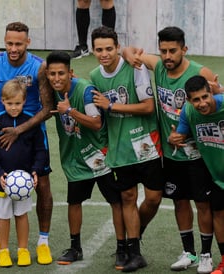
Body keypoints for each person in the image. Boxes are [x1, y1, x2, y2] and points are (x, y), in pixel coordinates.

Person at [122, 26, 221, 273]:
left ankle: (207, 254)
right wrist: (129, 54)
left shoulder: (201, 72)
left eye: (173, 51)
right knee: (179, 201)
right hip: (171, 153)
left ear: (184, 49)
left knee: (204, 205)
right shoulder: (157, 66)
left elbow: (215, 103)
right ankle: (189, 253)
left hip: (199, 154)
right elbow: (128, 49)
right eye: (163, 50)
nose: (167, 56)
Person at [0, 21, 54, 265]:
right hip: (0, 135)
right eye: (9, 43)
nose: (13, 48)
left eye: (18, 44)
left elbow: (48, 107)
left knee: (41, 185)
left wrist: (19, 130)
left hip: (30, 135)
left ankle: (42, 242)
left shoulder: (39, 67)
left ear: (28, 43)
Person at [90, 26, 164, 272]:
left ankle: (135, 234)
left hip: (146, 144)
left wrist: (111, 106)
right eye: (99, 49)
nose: (104, 54)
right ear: (92, 50)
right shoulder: (94, 76)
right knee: (128, 198)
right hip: (120, 149)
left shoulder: (135, 68)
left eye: (109, 48)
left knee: (153, 198)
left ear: (117, 47)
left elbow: (147, 107)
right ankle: (133, 251)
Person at [45, 51, 127, 269]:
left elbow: (96, 122)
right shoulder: (51, 91)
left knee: (115, 201)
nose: (56, 78)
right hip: (75, 159)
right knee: (74, 202)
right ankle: (75, 247)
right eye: (52, 74)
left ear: (70, 73)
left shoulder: (86, 91)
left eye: (61, 73)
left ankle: (121, 248)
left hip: (100, 156)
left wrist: (69, 110)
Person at [0, 79, 45, 267]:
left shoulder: (30, 122)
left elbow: (41, 150)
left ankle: (23, 250)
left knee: (22, 215)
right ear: (2, 101)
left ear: (24, 101)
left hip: (24, 183)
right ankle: (3, 251)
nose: (13, 108)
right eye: (9, 103)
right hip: (1, 181)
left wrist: (35, 171)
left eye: (17, 103)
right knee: (2, 217)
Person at [168, 75, 224, 274]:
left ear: (211, 93)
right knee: (219, 213)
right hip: (217, 175)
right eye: (196, 99)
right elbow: (181, 134)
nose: (202, 103)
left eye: (205, 97)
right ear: (189, 100)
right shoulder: (188, 112)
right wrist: (174, 138)